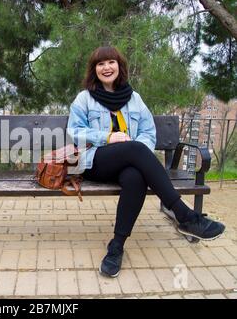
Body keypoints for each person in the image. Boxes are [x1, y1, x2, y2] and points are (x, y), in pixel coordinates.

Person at [66, 46, 225, 278]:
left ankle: (116, 246)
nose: (106, 67)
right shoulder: (84, 99)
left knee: (135, 177)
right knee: (135, 149)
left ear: (119, 66)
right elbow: (74, 132)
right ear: (94, 70)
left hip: (128, 163)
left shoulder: (134, 99)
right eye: (100, 64)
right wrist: (108, 137)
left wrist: (136, 151)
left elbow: (148, 133)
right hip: (95, 161)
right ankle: (184, 215)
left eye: (111, 62)